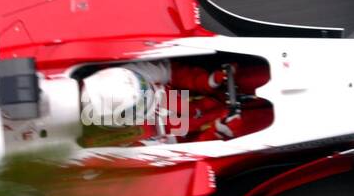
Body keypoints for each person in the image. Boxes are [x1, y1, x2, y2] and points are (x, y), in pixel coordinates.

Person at [78, 59, 270, 143]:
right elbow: (187, 152)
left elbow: (170, 72)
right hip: (211, 125)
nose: (149, 95)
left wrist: (207, 81)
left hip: (206, 94)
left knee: (251, 76)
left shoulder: (127, 76)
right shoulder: (131, 141)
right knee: (257, 126)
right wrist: (217, 133)